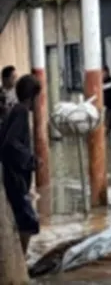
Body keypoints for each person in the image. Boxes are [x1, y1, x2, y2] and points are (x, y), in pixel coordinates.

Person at [0, 74, 41, 255]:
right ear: (32, 96)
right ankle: (20, 261)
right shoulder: (21, 112)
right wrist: (31, 159)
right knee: (29, 222)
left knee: (20, 220)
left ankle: (17, 258)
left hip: (13, 176)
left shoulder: (13, 111)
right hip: (15, 177)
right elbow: (10, 143)